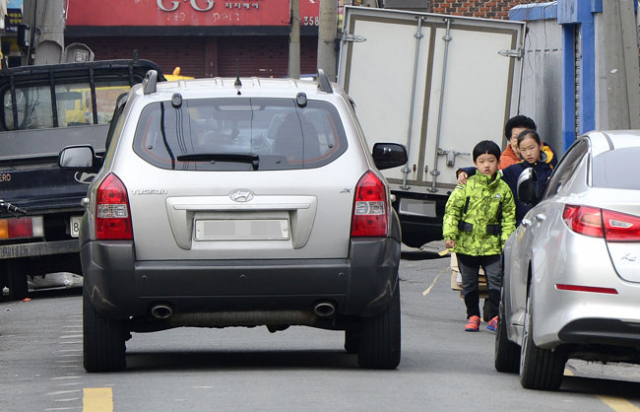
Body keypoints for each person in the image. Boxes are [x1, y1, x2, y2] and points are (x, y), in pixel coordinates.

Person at [443, 140, 516, 332]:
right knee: (469, 283)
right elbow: (452, 211)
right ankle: (472, 316)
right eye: (482, 161)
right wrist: (450, 234)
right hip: (466, 245)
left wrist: (506, 241)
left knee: (495, 281)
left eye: (491, 160)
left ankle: (493, 317)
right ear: (475, 163)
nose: (486, 165)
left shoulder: (504, 189)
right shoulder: (465, 186)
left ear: (498, 162)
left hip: (492, 246)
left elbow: (509, 217)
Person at [458, 129, 556, 226]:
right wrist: (466, 172)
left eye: (531, 148)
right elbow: (490, 173)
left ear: (540, 145)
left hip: (547, 221)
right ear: (518, 150)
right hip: (523, 223)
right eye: (523, 150)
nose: (528, 153)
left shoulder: (551, 166)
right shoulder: (514, 170)